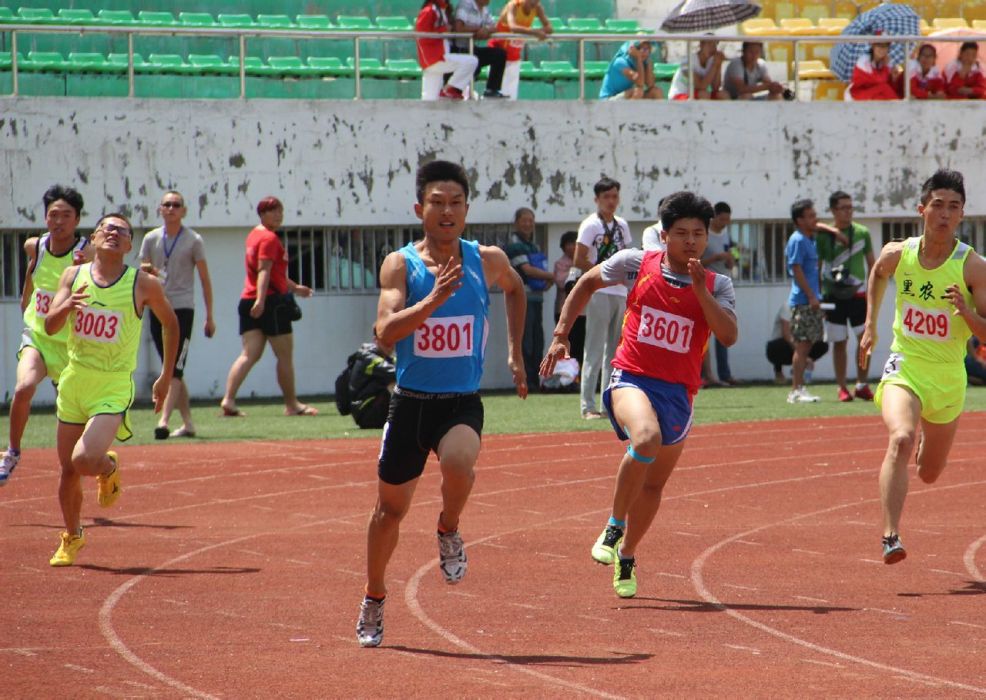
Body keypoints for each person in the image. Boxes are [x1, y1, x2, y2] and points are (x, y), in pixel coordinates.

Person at [356, 160, 527, 648]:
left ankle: (448, 527)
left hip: (460, 403)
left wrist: (515, 352)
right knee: (388, 512)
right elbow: (385, 334)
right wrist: (431, 301)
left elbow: (516, 291)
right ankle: (374, 596)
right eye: (437, 202)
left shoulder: (487, 259)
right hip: (410, 403)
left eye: (455, 202)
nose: (447, 211)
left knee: (459, 462)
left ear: (467, 210)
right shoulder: (399, 263)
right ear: (420, 208)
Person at [542, 191, 737, 598]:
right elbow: (586, 282)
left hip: (679, 394)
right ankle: (614, 527)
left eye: (698, 234)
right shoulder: (636, 263)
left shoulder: (718, 284)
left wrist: (701, 291)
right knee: (645, 438)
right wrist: (561, 335)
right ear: (663, 236)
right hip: (631, 377)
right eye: (681, 233)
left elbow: (728, 336)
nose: (690, 241)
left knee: (653, 486)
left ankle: (628, 554)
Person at [859, 168, 986, 565]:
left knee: (930, 472)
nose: (945, 214)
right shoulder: (898, 254)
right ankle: (890, 535)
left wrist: (966, 312)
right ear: (922, 209)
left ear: (962, 215)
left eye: (954, 208)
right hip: (906, 364)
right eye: (937, 206)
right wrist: (869, 327)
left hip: (948, 376)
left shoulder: (973, 267)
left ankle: (927, 446)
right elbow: (878, 274)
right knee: (900, 438)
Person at [44, 213, 178, 566]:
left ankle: (106, 468)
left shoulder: (143, 284)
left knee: (84, 459)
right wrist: (67, 306)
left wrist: (166, 376)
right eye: (108, 228)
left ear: (131, 245)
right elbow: (50, 325)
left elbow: (171, 324)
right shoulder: (73, 275)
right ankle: (72, 536)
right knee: (68, 471)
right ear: (94, 237)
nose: (115, 233)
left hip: (113, 383)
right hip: (75, 381)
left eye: (123, 231)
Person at [2, 185, 89, 487]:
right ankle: (12, 452)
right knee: (24, 387)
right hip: (38, 337)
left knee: (77, 415)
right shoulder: (34, 246)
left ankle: (101, 461)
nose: (59, 221)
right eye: (53, 214)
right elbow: (32, 270)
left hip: (72, 346)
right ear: (45, 217)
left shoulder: (86, 253)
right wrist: (27, 299)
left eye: (66, 215)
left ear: (77, 219)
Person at [219, 197, 317, 418]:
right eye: (272, 211)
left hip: (248, 299)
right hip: (270, 303)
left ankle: (228, 399)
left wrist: (295, 288)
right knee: (284, 356)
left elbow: (273, 273)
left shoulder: (253, 235)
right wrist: (261, 301)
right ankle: (292, 405)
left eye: (280, 211)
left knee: (249, 354)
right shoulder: (269, 238)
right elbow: (264, 271)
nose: (277, 215)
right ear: (261, 214)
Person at [138, 190, 216, 439]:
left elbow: (204, 279)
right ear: (160, 209)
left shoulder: (194, 240)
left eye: (176, 205)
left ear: (184, 210)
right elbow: (142, 270)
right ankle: (189, 423)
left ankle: (163, 421)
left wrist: (209, 316)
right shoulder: (151, 238)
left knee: (175, 368)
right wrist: (148, 270)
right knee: (170, 368)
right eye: (167, 205)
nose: (171, 208)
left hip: (183, 308)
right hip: (158, 306)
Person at [575, 177, 633, 419]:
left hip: (620, 291)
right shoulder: (590, 225)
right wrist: (603, 275)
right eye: (606, 197)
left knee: (615, 353)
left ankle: (609, 404)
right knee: (594, 349)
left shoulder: (622, 225)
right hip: (599, 291)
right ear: (596, 199)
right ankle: (588, 406)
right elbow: (579, 259)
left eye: (614, 196)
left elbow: (628, 255)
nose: (611, 201)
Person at [817, 190, 875, 402]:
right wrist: (819, 295)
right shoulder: (824, 235)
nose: (848, 212)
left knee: (864, 340)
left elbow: (872, 264)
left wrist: (872, 294)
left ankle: (862, 384)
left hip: (858, 294)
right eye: (843, 208)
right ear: (833, 210)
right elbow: (817, 265)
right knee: (839, 342)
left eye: (851, 207)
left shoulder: (862, 232)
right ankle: (842, 387)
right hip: (833, 295)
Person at [503, 207, 554, 390]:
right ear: (516, 223)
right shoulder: (514, 246)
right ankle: (525, 382)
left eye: (530, 220)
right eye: (524, 220)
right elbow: (528, 270)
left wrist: (548, 279)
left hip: (537, 300)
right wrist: (552, 276)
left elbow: (540, 275)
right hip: (521, 300)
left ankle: (535, 380)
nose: (527, 224)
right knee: (525, 343)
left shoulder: (534, 246)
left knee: (537, 341)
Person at [785, 199, 827, 404]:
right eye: (810, 216)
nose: (815, 219)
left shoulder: (811, 239)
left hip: (811, 300)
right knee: (802, 346)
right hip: (803, 301)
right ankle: (796, 390)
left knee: (807, 344)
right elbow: (796, 269)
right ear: (799, 220)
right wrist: (811, 295)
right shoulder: (798, 240)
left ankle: (799, 388)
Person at [701, 202, 740, 385]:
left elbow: (732, 259)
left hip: (722, 287)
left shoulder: (726, 235)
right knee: (703, 333)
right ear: (714, 217)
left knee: (724, 332)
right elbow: (697, 261)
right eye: (722, 219)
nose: (725, 222)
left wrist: (731, 261)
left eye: (728, 219)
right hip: (706, 285)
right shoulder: (704, 233)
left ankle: (725, 374)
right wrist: (715, 258)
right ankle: (705, 375)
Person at [488, 0, 552, 100]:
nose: (534, 3)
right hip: (499, 53)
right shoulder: (513, 5)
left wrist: (542, 31)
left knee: (511, 97)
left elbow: (549, 27)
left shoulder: (537, 8)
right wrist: (535, 32)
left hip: (514, 55)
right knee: (494, 94)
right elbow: (513, 27)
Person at [416, 0, 480, 100]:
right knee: (471, 61)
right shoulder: (430, 10)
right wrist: (444, 29)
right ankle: (450, 89)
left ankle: (448, 91)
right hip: (436, 58)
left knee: (429, 99)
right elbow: (421, 34)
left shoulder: (440, 9)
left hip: (434, 58)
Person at [337, 334, 396, 429]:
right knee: (396, 383)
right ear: (376, 340)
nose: (391, 346)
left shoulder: (386, 357)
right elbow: (394, 372)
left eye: (393, 341)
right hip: (366, 413)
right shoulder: (369, 357)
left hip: (369, 410)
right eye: (387, 342)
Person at [452, 0, 508, 99]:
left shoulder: (485, 9)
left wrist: (486, 30)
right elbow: (458, 28)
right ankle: (459, 91)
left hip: (473, 48)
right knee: (472, 63)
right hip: (460, 49)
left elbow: (494, 27)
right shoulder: (466, 4)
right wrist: (478, 29)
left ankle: (491, 90)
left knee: (499, 54)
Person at [765, 302, 828, 384]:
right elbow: (786, 334)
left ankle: (801, 370)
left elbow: (817, 333)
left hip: (800, 341)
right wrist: (803, 355)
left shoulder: (811, 307)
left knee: (822, 345)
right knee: (779, 346)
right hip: (782, 346)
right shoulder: (788, 306)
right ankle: (779, 372)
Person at [553, 231, 586, 371]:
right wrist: (575, 270)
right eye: (569, 244)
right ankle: (569, 378)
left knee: (582, 345)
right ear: (563, 246)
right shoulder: (560, 264)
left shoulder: (586, 263)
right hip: (564, 312)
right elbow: (562, 282)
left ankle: (581, 376)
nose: (572, 247)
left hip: (584, 312)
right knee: (568, 345)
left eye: (575, 243)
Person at [599, 40, 664, 100]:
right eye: (642, 49)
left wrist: (649, 63)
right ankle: (630, 113)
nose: (645, 52)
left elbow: (650, 85)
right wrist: (638, 58)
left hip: (624, 99)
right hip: (608, 100)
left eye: (648, 49)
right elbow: (640, 84)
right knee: (637, 91)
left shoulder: (643, 63)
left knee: (656, 92)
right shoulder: (620, 62)